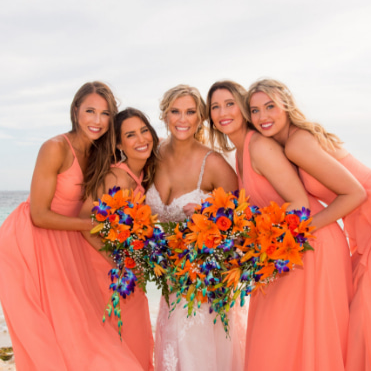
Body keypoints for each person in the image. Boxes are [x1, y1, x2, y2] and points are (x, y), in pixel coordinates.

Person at [206, 80, 356, 371]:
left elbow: (299, 205)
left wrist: (259, 241)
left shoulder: (259, 146)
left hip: (312, 245)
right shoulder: (240, 152)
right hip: (284, 250)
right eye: (215, 106)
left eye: (229, 104)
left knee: (293, 342)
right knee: (276, 342)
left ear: (243, 109)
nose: (223, 111)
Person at [0, 82, 145, 371]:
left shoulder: (103, 155)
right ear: (75, 110)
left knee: (82, 328)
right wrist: (94, 226)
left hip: (66, 238)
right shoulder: (54, 148)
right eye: (90, 110)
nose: (97, 120)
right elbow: (38, 214)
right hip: (29, 243)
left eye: (105, 114)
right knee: (51, 334)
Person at [247, 78, 371, 371]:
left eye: (270, 106)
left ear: (285, 105)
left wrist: (301, 230)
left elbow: (356, 193)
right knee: (366, 318)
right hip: (366, 228)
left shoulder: (297, 144)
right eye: (255, 110)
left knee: (369, 319)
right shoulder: (287, 144)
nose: (263, 117)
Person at [146, 84, 246, 371]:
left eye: (190, 112)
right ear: (165, 114)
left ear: (200, 117)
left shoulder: (212, 163)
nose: (182, 119)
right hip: (170, 280)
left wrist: (207, 216)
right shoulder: (152, 156)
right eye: (175, 111)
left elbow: (239, 221)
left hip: (205, 282)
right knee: (171, 351)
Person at [79, 107, 158, 371]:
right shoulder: (116, 176)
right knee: (125, 341)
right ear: (119, 143)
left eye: (144, 131)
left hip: (126, 270)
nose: (141, 139)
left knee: (134, 338)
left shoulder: (140, 175)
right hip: (109, 273)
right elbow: (84, 222)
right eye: (131, 135)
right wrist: (118, 263)